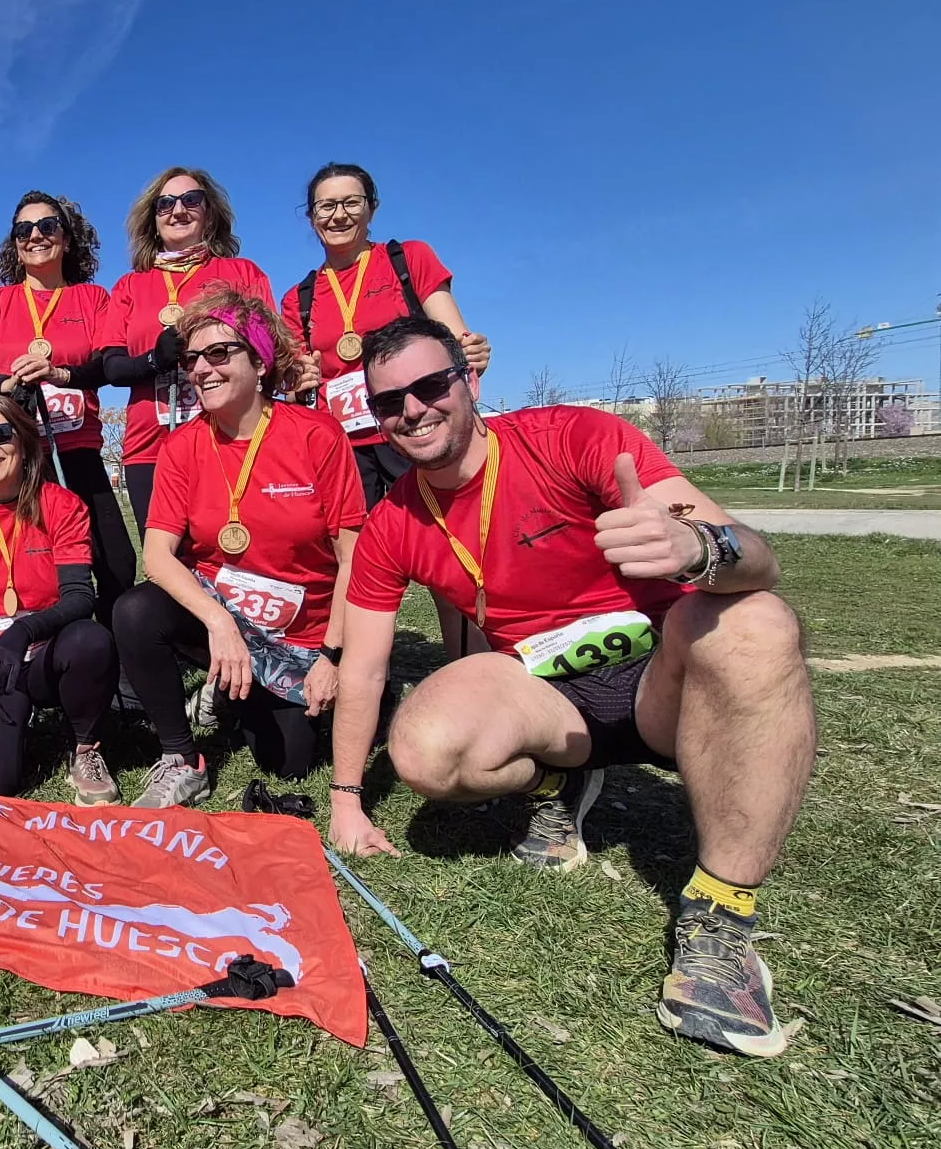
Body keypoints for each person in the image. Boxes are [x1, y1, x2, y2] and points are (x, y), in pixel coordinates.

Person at [327, 316, 815, 1058]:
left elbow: (758, 561)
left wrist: (696, 547)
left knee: (759, 625)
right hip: (550, 696)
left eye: (431, 386)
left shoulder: (574, 437)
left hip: (664, 682)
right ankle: (560, 783)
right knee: (425, 750)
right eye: (390, 402)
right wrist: (346, 798)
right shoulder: (393, 520)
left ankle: (720, 919)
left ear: (470, 382)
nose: (413, 411)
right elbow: (362, 666)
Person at [112, 290, 364, 809]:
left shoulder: (316, 435)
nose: (201, 369)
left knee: (289, 761)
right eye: (191, 359)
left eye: (219, 354)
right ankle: (182, 758)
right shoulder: (182, 445)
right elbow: (157, 555)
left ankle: (231, 694)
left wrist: (333, 657)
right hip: (224, 623)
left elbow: (352, 559)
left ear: (259, 359)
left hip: (303, 638)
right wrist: (218, 623)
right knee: (135, 610)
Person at [0, 192, 136, 624]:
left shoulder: (93, 298)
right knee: (37, 564)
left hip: (79, 448)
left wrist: (61, 375)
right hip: (21, 456)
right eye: (24, 230)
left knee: (116, 560)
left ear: (67, 238)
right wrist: (2, 384)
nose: (35, 236)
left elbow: (109, 365)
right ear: (14, 243)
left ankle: (114, 655)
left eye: (47, 227)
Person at [0, 394, 119, 804]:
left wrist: (22, 631)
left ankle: (86, 747)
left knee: (90, 640)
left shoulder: (61, 505)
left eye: (0, 435)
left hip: (46, 657)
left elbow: (79, 597)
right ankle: (14, 727)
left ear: (23, 440)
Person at [284, 163, 491, 510]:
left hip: (413, 425)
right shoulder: (297, 298)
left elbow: (456, 342)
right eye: (326, 206)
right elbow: (294, 384)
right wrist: (298, 381)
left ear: (371, 209)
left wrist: (474, 351)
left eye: (351, 203)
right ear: (311, 218)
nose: (338, 215)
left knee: (436, 528)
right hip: (343, 447)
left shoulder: (409, 259)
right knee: (360, 545)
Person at [102, 168, 275, 533]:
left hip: (230, 434)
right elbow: (113, 368)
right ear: (153, 218)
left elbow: (268, 351)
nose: (177, 210)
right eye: (165, 203)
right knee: (165, 563)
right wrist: (156, 359)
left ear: (209, 212)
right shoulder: (130, 285)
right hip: (149, 446)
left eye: (191, 200)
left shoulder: (241, 272)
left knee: (234, 547)